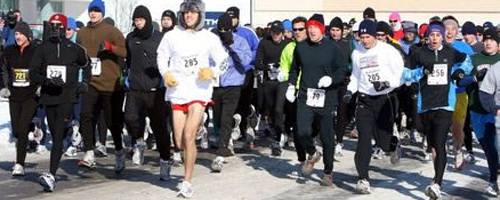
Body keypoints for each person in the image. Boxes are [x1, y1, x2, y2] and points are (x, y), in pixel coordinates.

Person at [157, 0, 228, 197]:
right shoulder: (172, 36)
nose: (189, 16)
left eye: (193, 13)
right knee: (179, 141)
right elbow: (161, 57)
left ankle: (187, 181)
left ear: (200, 15)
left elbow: (224, 60)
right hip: (178, 91)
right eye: (186, 12)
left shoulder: (209, 38)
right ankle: (199, 130)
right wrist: (166, 74)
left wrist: (212, 71)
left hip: (199, 91)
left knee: (188, 136)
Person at [403, 21, 472, 199]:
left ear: (442, 37)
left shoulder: (450, 52)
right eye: (432, 35)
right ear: (427, 37)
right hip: (425, 104)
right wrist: (421, 73)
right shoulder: (419, 53)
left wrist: (460, 73)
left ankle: (437, 183)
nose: (434, 38)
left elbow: (467, 61)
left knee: (439, 142)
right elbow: (405, 74)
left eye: (438, 35)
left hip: (445, 103)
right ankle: (437, 177)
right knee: (433, 145)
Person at [30, 13, 90, 192]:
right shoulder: (42, 48)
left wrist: (84, 83)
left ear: (64, 29)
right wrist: (47, 81)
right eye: (52, 25)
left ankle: (51, 175)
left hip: (67, 96)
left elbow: (87, 64)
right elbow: (33, 73)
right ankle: (71, 129)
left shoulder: (74, 48)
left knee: (56, 136)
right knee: (56, 133)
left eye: (58, 26)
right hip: (49, 96)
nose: (54, 29)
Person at [344, 19, 404, 194]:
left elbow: (400, 75)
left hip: (383, 100)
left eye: (368, 36)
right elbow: (356, 76)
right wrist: (350, 91)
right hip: (364, 101)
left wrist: (386, 84)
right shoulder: (357, 53)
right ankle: (363, 178)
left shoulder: (388, 51)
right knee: (363, 140)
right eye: (361, 37)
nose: (364, 40)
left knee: (383, 142)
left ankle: (392, 145)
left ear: (375, 35)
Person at [287, 13, 347, 186]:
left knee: (327, 137)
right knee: (302, 131)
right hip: (306, 95)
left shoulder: (332, 48)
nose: (312, 31)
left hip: (326, 97)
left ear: (322, 29)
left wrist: (332, 80)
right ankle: (313, 153)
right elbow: (294, 69)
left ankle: (328, 172)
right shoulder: (301, 47)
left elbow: (342, 69)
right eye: (310, 27)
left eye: (315, 27)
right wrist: (291, 85)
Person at [77, 0, 127, 173]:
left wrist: (110, 47)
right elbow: (79, 54)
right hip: (91, 82)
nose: (93, 14)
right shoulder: (82, 32)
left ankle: (119, 151)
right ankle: (89, 152)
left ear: (102, 13)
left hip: (109, 84)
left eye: (97, 11)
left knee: (113, 122)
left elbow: (125, 51)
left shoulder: (112, 31)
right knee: (86, 115)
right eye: (91, 11)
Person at [123, 5, 173, 180]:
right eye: (136, 21)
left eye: (141, 20)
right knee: (129, 118)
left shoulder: (160, 38)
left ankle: (165, 162)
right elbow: (128, 60)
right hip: (135, 88)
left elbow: (168, 60)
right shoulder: (130, 38)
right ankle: (138, 142)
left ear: (148, 20)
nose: (138, 24)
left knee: (159, 129)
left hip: (155, 90)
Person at [458, 28, 500, 196]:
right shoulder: (473, 59)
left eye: (492, 40)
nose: (488, 43)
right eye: (486, 40)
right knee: (487, 147)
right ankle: (494, 173)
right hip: (477, 109)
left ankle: (493, 180)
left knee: (493, 145)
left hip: (495, 111)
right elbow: (459, 80)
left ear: (498, 44)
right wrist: (474, 78)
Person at [210, 13, 252, 170]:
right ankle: (227, 134)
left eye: (225, 29)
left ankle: (220, 155)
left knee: (226, 118)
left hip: (233, 85)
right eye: (220, 29)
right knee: (218, 118)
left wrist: (232, 46)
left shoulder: (240, 41)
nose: (223, 32)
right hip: (215, 85)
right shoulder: (213, 42)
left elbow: (247, 60)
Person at [0, 22, 39, 176]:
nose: (18, 37)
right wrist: (3, 86)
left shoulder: (36, 51)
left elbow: (43, 67)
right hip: (14, 95)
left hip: (30, 95)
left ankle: (19, 164)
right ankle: (33, 126)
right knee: (16, 129)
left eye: (21, 34)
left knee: (22, 128)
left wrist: (39, 86)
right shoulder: (9, 51)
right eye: (16, 34)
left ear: (27, 35)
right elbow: (2, 69)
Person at [442, 16, 474, 171]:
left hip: (459, 93)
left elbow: (471, 69)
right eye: (446, 29)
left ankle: (458, 150)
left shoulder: (465, 48)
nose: (449, 32)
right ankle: (439, 156)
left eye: (453, 29)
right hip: (438, 93)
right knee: (439, 127)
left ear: (457, 31)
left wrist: (461, 74)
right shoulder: (435, 46)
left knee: (457, 128)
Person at [226, 6, 260, 149]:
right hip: (229, 73)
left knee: (244, 101)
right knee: (230, 103)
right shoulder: (221, 32)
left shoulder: (248, 33)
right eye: (229, 17)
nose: (231, 20)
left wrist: (245, 60)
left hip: (245, 71)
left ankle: (245, 129)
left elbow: (257, 49)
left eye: (234, 17)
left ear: (238, 18)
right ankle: (230, 133)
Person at [255, 20, 290, 156]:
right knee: (269, 110)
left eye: (278, 33)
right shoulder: (264, 43)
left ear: (282, 33)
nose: (276, 35)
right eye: (274, 33)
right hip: (269, 81)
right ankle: (279, 131)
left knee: (278, 109)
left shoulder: (288, 44)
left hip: (283, 81)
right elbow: (257, 63)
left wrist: (283, 69)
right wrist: (268, 67)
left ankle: (278, 140)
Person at [279, 15, 308, 167]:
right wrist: (282, 74)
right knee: (297, 126)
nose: (297, 32)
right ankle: (302, 158)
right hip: (295, 89)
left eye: (300, 29)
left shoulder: (313, 46)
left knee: (312, 126)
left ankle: (311, 147)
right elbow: (284, 65)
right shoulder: (289, 48)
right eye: (294, 30)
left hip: (312, 89)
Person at [328, 16, 353, 156]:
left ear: (342, 31)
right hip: (330, 83)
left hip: (344, 82)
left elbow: (353, 61)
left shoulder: (347, 44)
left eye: (337, 30)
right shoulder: (325, 43)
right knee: (330, 112)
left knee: (343, 112)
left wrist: (346, 70)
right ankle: (330, 137)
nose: (335, 32)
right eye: (332, 29)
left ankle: (339, 140)